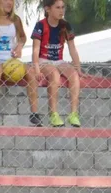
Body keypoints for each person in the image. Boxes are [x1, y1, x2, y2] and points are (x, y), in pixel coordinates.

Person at [31, 0, 82, 128]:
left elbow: (72, 49)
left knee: (74, 75)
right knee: (54, 75)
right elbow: (35, 50)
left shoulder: (66, 25)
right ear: (48, 9)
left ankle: (74, 114)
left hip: (58, 60)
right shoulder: (40, 25)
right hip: (44, 60)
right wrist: (37, 69)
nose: (61, 10)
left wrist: (78, 68)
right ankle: (53, 114)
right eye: (58, 7)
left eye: (63, 7)